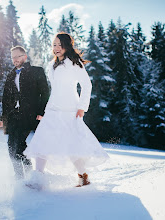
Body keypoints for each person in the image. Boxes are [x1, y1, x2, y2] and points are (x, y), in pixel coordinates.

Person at [24, 33, 109, 187]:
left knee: (72, 145)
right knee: (43, 140)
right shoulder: (52, 65)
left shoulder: (75, 64)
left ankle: (84, 177)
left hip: (70, 110)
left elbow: (87, 85)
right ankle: (38, 179)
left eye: (59, 45)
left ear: (66, 46)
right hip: (52, 110)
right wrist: (44, 109)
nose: (55, 48)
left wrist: (82, 107)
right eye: (54, 45)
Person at [0, 46, 50, 179]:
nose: (15, 60)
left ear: (24, 57)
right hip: (15, 114)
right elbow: (6, 99)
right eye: (12, 57)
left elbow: (45, 93)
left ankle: (27, 173)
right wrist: (3, 118)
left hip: (31, 114)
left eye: (17, 56)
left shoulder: (36, 71)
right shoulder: (10, 75)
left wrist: (42, 111)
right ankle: (19, 175)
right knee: (11, 146)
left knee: (19, 142)